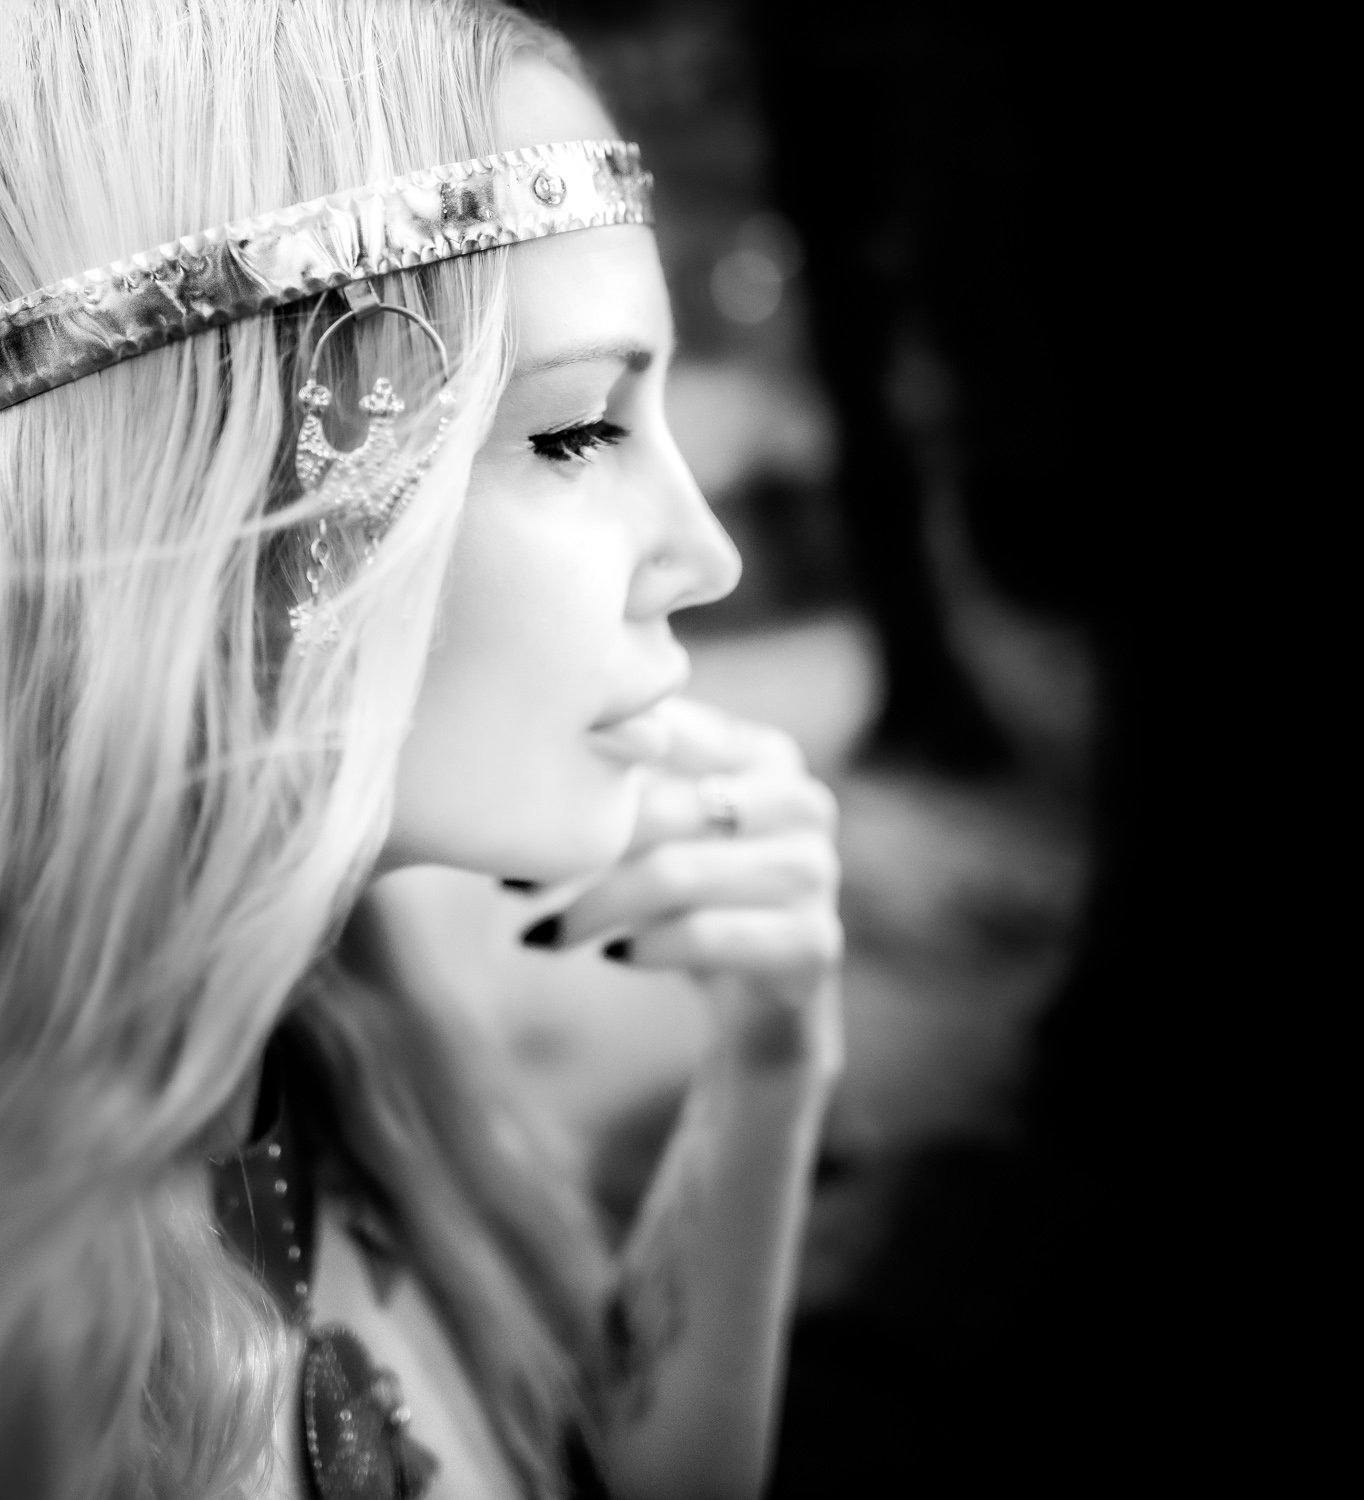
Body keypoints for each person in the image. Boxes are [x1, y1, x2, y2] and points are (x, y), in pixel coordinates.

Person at [0, 3, 843, 1497]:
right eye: (575, 430)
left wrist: (768, 1064)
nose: (705, 555)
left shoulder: (342, 1071)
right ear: (218, 503)